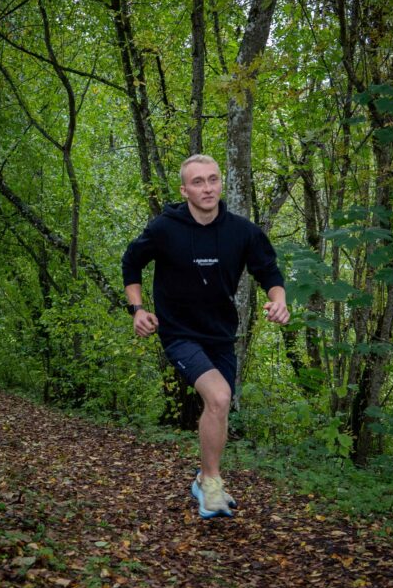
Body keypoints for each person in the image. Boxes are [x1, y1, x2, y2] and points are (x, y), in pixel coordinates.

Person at [122, 154, 290, 519]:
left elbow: (269, 273)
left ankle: (204, 479)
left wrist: (279, 302)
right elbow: (131, 262)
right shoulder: (165, 228)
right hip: (179, 333)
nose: (207, 187)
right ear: (185, 190)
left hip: (220, 335)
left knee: (219, 405)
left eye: (213, 179)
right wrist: (138, 310)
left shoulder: (242, 231)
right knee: (219, 395)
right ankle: (212, 483)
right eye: (198, 182)